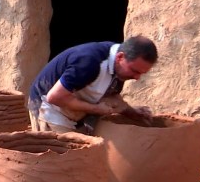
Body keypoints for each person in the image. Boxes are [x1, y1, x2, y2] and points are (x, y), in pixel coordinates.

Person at [28, 35, 158, 134]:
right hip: (48, 107)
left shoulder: (118, 68)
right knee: (67, 159)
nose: (136, 78)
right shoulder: (90, 62)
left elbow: (111, 96)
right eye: (134, 71)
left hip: (71, 107)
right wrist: (95, 109)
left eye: (141, 73)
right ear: (120, 57)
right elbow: (55, 97)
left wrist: (131, 112)